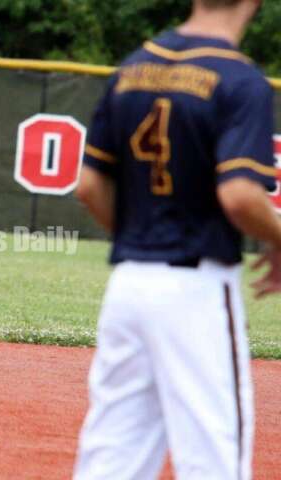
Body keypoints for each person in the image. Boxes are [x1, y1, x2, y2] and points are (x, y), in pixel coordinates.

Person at [73, 0, 281, 478]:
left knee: (111, 457)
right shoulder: (240, 80)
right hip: (197, 288)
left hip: (128, 284)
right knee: (213, 458)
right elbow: (240, 195)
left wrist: (141, 236)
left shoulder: (133, 68)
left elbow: (88, 185)